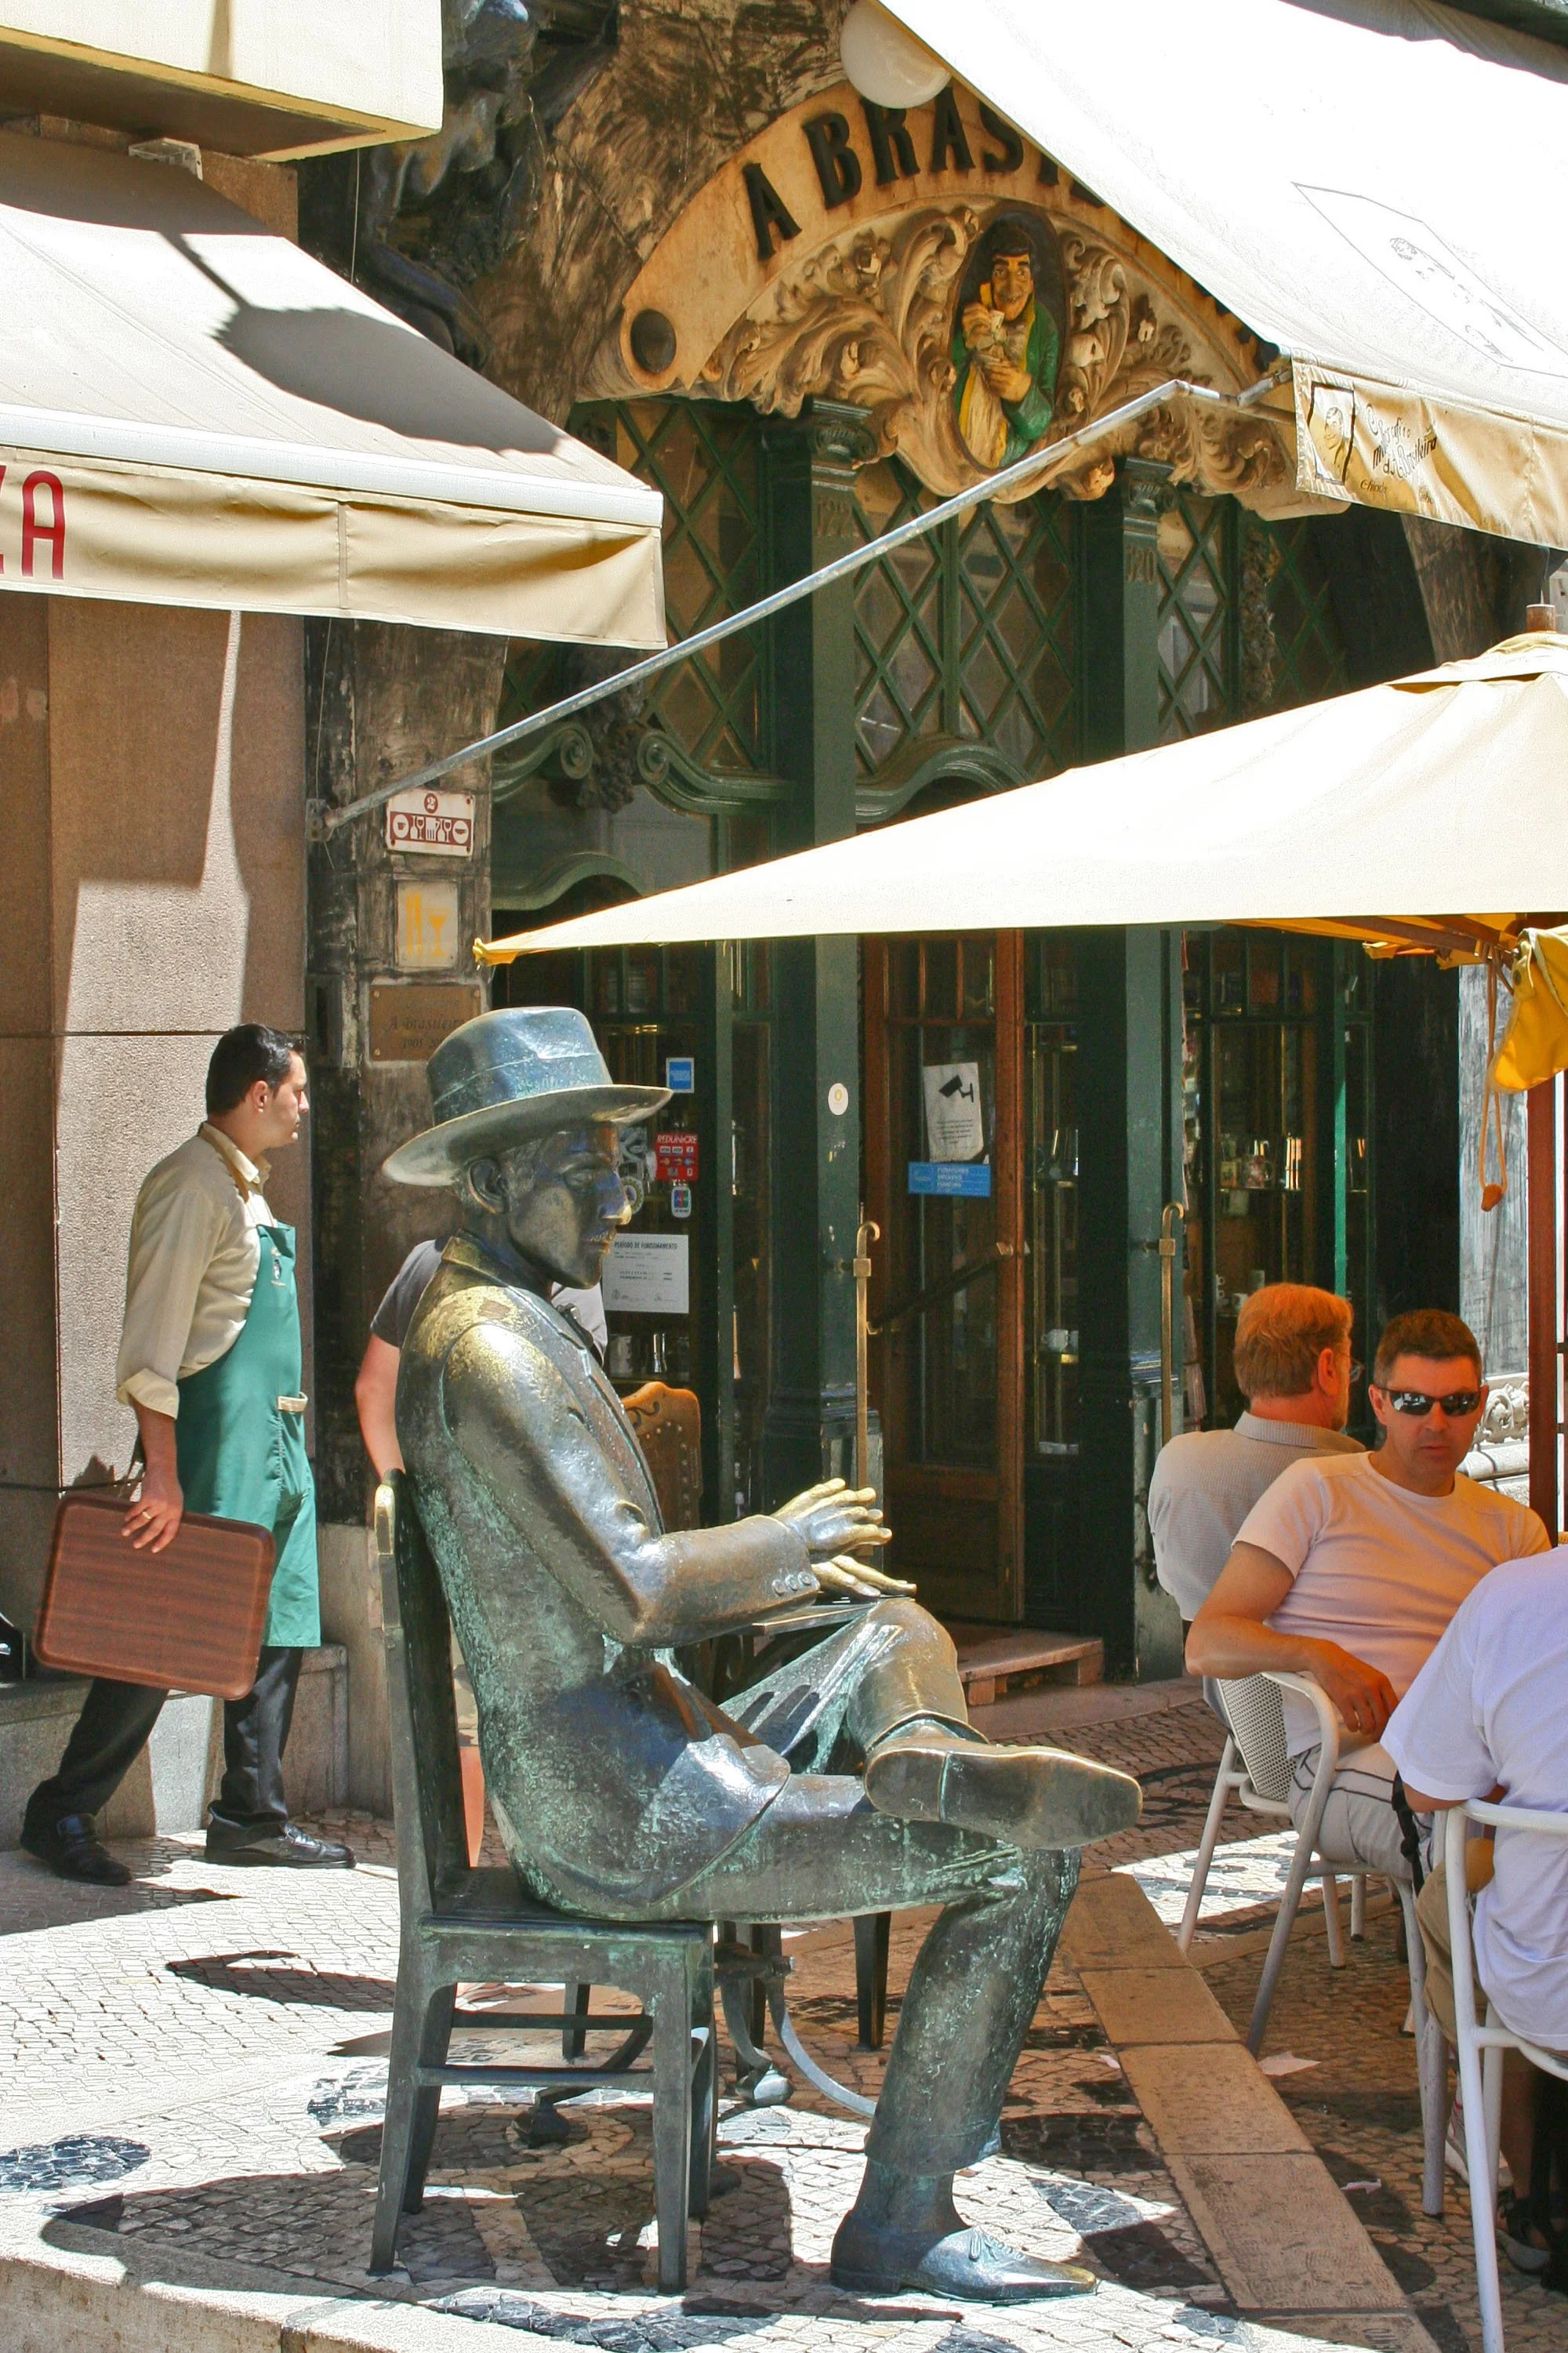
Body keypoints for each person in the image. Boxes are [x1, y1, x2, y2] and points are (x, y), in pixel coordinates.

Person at [389, 1007, 1142, 2301]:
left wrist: (795, 1574)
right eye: (586, 1171)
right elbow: (637, 1589)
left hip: (655, 1741)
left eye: (621, 1166)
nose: (620, 1200)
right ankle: (901, 2219)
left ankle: (921, 1750)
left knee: (891, 1625)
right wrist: (788, 1545)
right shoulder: (491, 1349)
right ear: (494, 1178)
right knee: (1025, 1855)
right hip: (623, 1808)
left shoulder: (508, 1314)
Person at [22, 1026, 353, 1885]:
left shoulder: (247, 1190)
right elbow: (150, 1350)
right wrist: (163, 1474)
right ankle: (62, 1807)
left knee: (280, 1621)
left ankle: (252, 1814)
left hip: (275, 1443)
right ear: (258, 1093)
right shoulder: (191, 1185)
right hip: (216, 1446)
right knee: (166, 1628)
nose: (304, 1105)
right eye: (297, 1090)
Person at [1186, 1309, 1550, 1882]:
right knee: (1468, 1835)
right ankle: (1472, 1922)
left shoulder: (1514, 1528)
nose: (1436, 1422)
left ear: (1480, 1404)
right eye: (1413, 1403)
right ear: (1379, 1403)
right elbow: (1205, 1642)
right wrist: (1317, 1655)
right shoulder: (1317, 1490)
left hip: (1479, 1753)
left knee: (1524, 1822)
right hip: (1341, 1759)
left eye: (1456, 1403)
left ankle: (1479, 1920)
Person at [354, 1243, 604, 1865]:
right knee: (539, 1721)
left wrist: (413, 1497)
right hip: (526, 1546)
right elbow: (583, 1425)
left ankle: (456, 1881)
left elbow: (373, 1389)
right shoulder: (567, 1273)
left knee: (450, 1725)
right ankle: (540, 1882)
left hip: (442, 1531)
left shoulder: (426, 1262)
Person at [1384, 1556, 1568, 2279]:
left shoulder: (1514, 1598)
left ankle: (1534, 2195)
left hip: (1550, 1991)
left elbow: (1425, 1788)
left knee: (1459, 1906)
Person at [1150, 1283, 1363, 1630]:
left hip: (1203, 1662)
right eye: (1348, 1364)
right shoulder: (1361, 1481)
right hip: (1326, 1663)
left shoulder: (1177, 1461)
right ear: (1327, 1369)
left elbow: (1171, 1587)